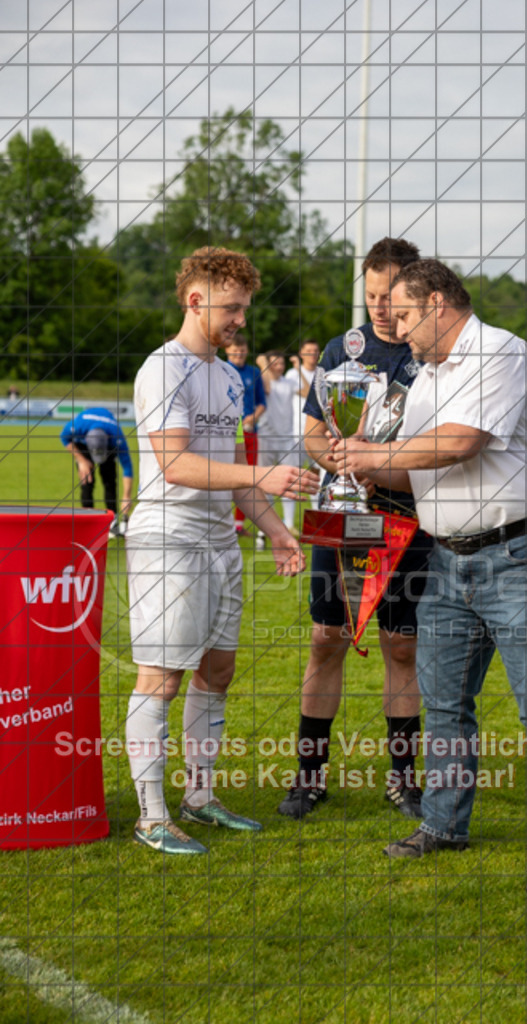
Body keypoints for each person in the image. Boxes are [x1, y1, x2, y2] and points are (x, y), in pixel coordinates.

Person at [333, 258, 527, 893]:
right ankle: (445, 824)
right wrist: (358, 466)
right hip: (445, 558)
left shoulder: (502, 351)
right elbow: (415, 468)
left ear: (439, 302)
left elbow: (460, 442)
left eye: (404, 309)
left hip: (521, 555)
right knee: (445, 702)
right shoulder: (425, 375)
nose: (393, 320)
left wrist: (376, 454)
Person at [125, 247, 318, 855]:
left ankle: (200, 798)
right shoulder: (163, 369)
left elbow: (233, 469)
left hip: (218, 539)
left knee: (218, 670)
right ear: (194, 299)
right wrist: (261, 481)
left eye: (244, 308)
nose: (240, 319)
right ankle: (151, 816)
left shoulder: (230, 377)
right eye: (231, 308)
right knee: (161, 676)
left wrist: (276, 530)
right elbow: (176, 465)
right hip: (168, 536)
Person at [277, 236, 434, 822]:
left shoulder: (435, 357)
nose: (378, 308)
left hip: (406, 515)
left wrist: (384, 467)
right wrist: (342, 462)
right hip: (340, 509)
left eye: (389, 297)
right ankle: (309, 778)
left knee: (402, 644)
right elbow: (315, 433)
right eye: (369, 296)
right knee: (326, 640)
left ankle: (404, 781)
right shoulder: (343, 351)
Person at [60, 407, 134, 536]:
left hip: (107, 443)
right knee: (87, 482)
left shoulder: (116, 436)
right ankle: (88, 523)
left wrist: (126, 496)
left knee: (110, 482)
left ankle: (113, 524)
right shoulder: (77, 426)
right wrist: (81, 460)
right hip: (83, 445)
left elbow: (127, 466)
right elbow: (64, 438)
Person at [225, 333, 267, 535]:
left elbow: (262, 403)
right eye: (235, 350)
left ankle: (238, 524)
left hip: (250, 431)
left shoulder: (254, 372)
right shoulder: (219, 369)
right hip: (226, 431)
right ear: (227, 349)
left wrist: (252, 418)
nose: (239, 354)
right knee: (223, 475)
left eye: (242, 351)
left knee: (247, 476)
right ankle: (220, 520)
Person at [255, 350, 299, 540]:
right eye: (275, 364)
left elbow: (306, 391)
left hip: (286, 437)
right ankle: (269, 525)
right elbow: (267, 389)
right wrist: (263, 363)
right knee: (266, 483)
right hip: (266, 436)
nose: (279, 367)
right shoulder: (264, 381)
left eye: (282, 364)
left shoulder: (289, 382)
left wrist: (297, 368)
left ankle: (289, 523)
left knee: (290, 481)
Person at [283, 339, 321, 531]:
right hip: (295, 434)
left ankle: (315, 521)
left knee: (316, 478)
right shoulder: (291, 374)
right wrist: (297, 369)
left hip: (316, 435)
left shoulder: (321, 374)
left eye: (315, 350)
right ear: (301, 352)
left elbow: (313, 395)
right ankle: (289, 523)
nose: (312, 354)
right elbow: (308, 394)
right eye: (308, 350)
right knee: (293, 478)